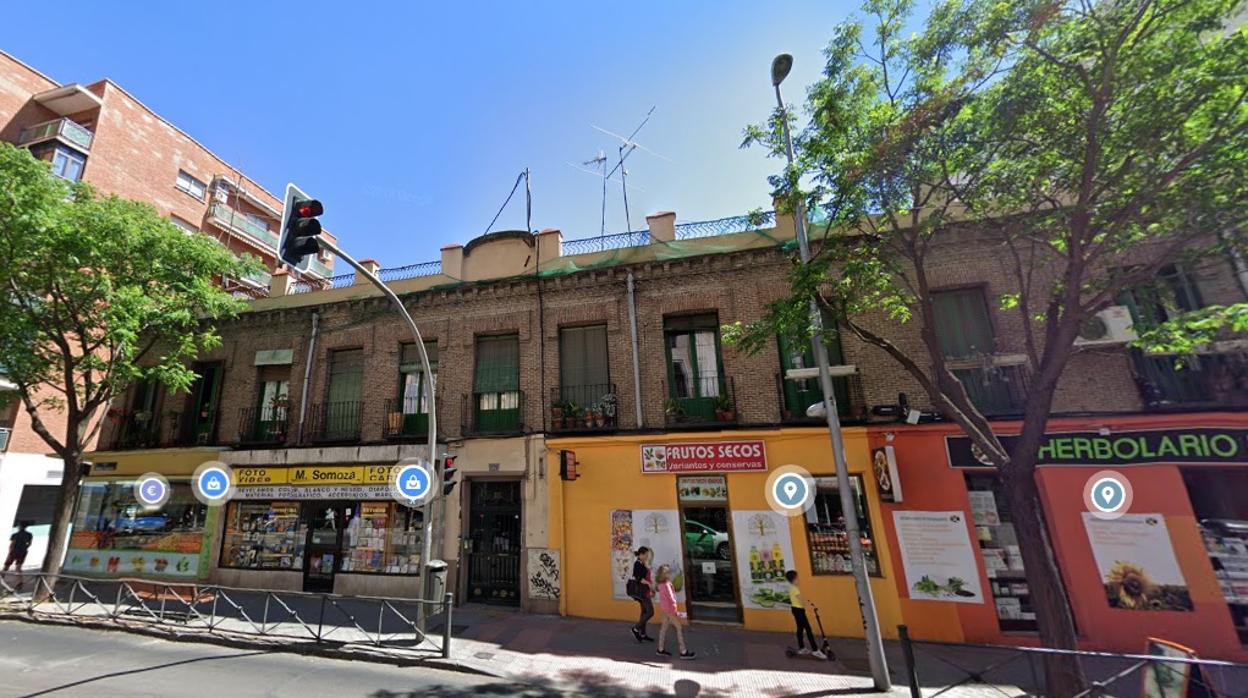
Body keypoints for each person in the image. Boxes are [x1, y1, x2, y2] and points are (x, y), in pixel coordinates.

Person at [654, 564, 695, 660]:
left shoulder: (660, 584)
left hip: (664, 609)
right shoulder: (667, 585)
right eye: (668, 572)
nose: (670, 573)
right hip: (670, 610)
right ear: (664, 574)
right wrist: (675, 611)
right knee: (679, 628)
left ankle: (660, 649)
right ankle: (683, 651)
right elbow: (671, 599)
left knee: (663, 629)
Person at [786, 569, 826, 659]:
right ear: (794, 579)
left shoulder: (793, 588)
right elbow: (801, 599)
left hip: (796, 610)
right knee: (808, 630)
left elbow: (801, 599)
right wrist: (810, 606)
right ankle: (815, 650)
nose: (799, 579)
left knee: (800, 629)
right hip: (799, 611)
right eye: (797, 578)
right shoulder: (794, 589)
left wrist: (808, 603)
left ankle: (802, 648)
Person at [629, 547, 655, 642]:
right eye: (646, 555)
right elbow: (638, 577)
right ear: (641, 554)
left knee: (644, 612)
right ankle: (636, 628)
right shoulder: (638, 564)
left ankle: (642, 634)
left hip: (644, 591)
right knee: (650, 612)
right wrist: (648, 584)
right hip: (642, 592)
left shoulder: (642, 563)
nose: (647, 557)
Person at [4, 522, 34, 590]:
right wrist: (24, 547)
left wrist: (10, 552)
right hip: (23, 552)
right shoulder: (29, 534)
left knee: (6, 566)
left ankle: (1, 578)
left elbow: (12, 544)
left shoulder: (15, 535)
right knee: (18, 567)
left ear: (19, 527)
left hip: (14, 552)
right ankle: (19, 582)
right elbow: (29, 544)